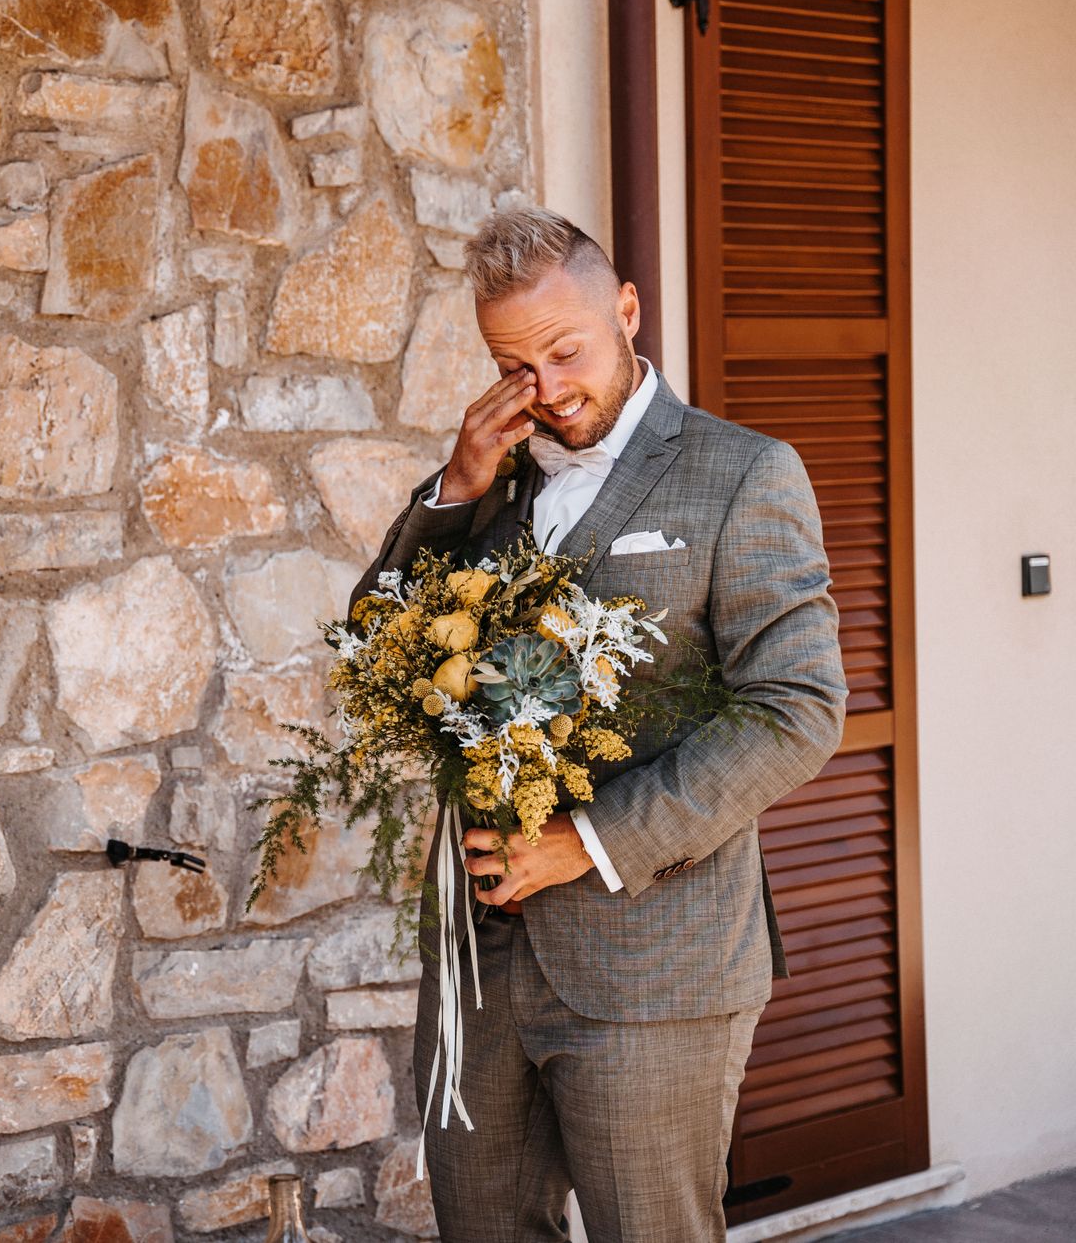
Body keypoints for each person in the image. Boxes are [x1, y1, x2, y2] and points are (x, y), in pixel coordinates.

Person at [352, 206, 846, 1241]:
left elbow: (797, 709)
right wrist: (453, 490)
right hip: (479, 965)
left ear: (625, 311)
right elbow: (374, 647)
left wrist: (584, 841)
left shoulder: (744, 474)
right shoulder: (491, 477)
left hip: (654, 965)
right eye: (511, 363)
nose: (545, 389)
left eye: (564, 351)